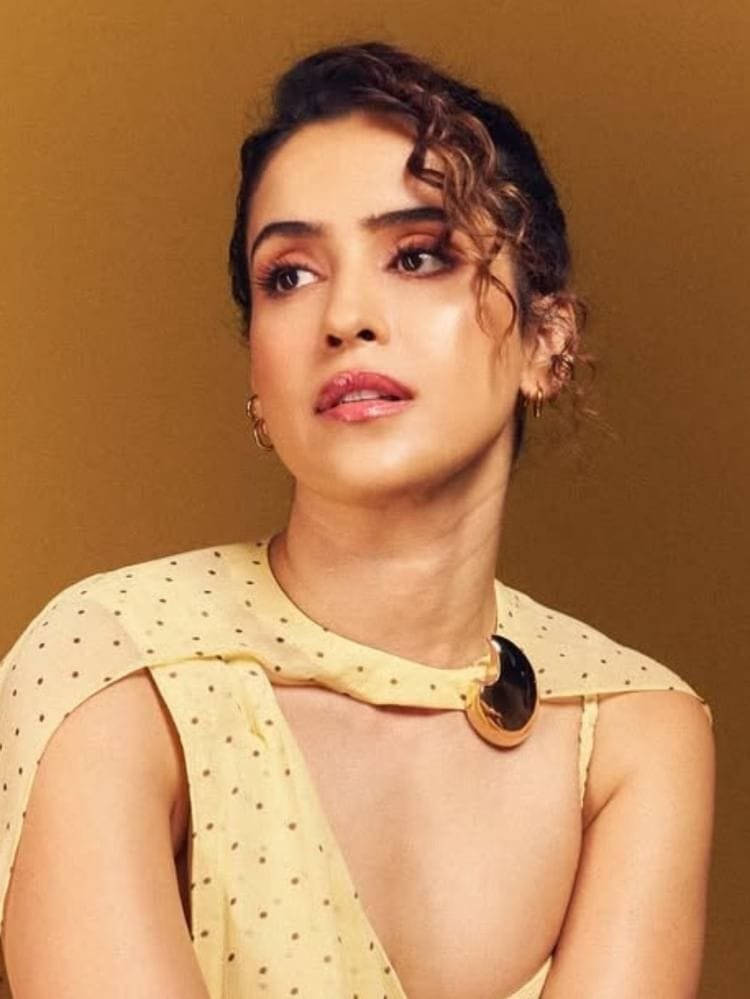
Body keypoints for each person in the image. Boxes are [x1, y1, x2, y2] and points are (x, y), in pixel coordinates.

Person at [0, 41, 714, 999]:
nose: (345, 317)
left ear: (547, 343)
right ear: (259, 373)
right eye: (289, 275)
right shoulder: (118, 666)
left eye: (418, 256)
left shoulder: (629, 728)